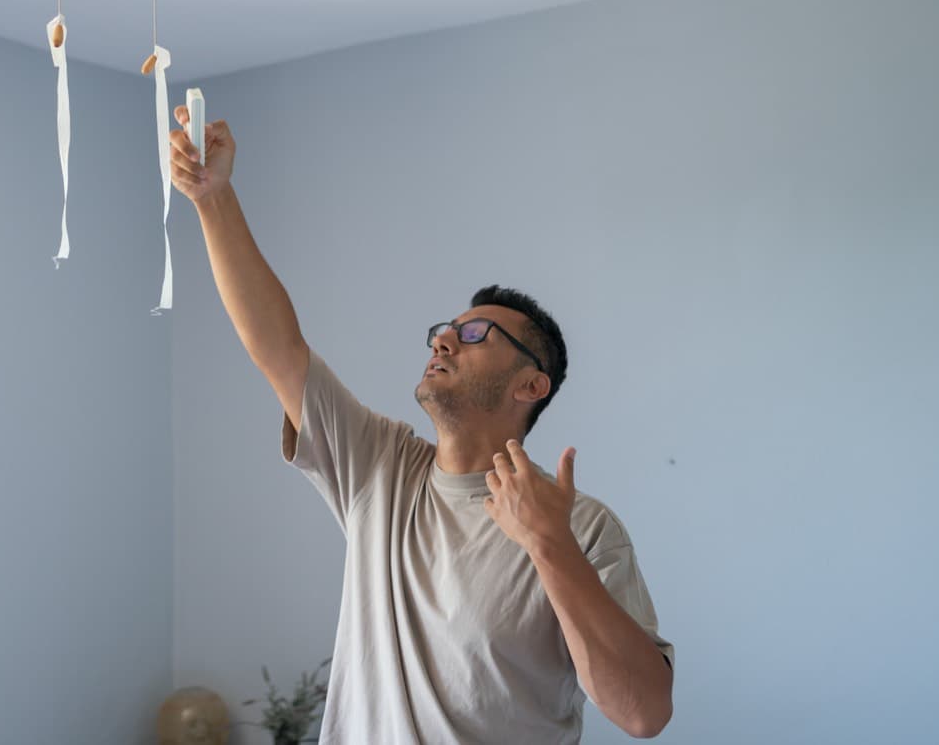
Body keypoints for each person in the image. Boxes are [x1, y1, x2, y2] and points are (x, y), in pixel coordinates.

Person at [168, 104, 674, 743]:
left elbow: (644, 713)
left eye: (472, 334)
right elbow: (277, 347)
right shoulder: (379, 467)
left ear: (530, 384)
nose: (443, 342)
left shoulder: (584, 528)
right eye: (443, 331)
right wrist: (213, 198)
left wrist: (550, 545)